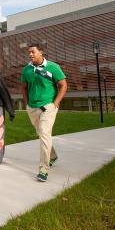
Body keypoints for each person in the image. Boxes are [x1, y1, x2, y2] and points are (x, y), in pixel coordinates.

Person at [21, 43, 67, 182]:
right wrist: (26, 103)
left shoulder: (53, 67)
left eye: (33, 52)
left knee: (44, 132)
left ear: (41, 52)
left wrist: (55, 103)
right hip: (32, 107)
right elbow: (24, 87)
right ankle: (52, 156)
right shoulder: (27, 69)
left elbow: (63, 85)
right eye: (29, 52)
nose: (30, 54)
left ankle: (43, 169)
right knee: (41, 134)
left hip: (48, 106)